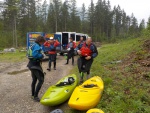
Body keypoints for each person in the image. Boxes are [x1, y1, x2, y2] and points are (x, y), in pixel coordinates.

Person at [27, 36, 46, 102]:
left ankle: (33, 94)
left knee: (34, 79)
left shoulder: (33, 44)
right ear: (40, 41)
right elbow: (35, 55)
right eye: (42, 42)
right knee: (41, 80)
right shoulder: (37, 46)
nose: (42, 44)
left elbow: (29, 54)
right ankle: (35, 96)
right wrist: (42, 55)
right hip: (35, 65)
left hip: (31, 64)